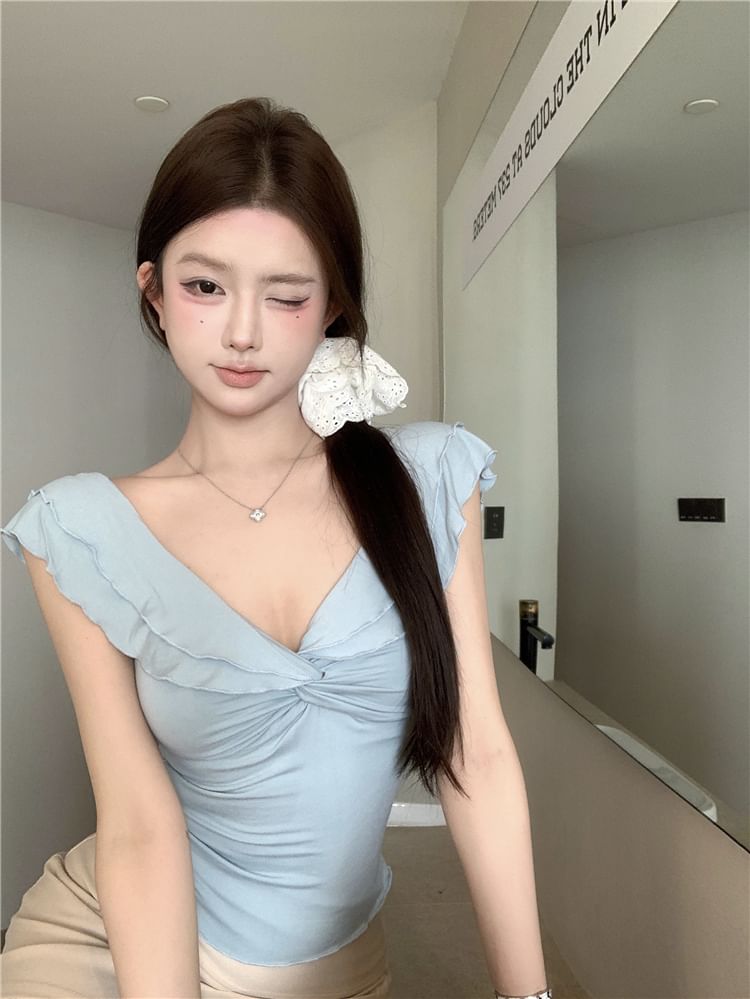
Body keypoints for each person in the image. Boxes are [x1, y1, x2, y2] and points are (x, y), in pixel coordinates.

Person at [0, 97, 551, 999]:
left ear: (332, 304)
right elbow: (138, 825)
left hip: (333, 964)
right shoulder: (80, 529)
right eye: (205, 287)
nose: (243, 332)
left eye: (286, 295)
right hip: (118, 941)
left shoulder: (427, 480)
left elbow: (477, 754)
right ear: (154, 292)